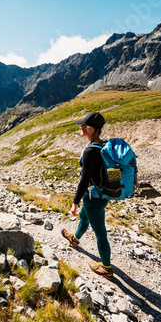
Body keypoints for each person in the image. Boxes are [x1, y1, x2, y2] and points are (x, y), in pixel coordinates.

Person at [61, 111, 113, 280]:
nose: (80, 127)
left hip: (93, 198)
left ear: (90, 129)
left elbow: (84, 181)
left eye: (82, 125)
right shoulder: (103, 145)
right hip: (101, 195)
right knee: (84, 218)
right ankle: (74, 239)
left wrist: (75, 202)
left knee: (100, 233)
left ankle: (106, 268)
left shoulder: (91, 151)